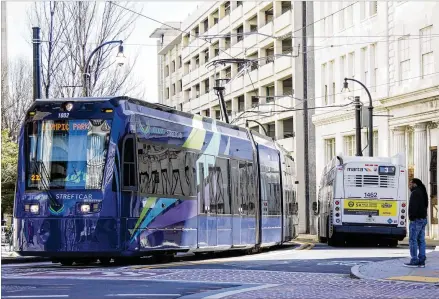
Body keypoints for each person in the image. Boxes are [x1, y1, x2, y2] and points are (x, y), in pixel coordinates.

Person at [404, 178, 428, 267]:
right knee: (421, 240)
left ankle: (414, 260)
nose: (409, 185)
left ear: (415, 184)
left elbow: (413, 207)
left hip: (416, 220)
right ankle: (422, 259)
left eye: (410, 184)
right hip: (423, 219)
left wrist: (411, 217)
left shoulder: (415, 193)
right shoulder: (422, 191)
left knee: (413, 240)